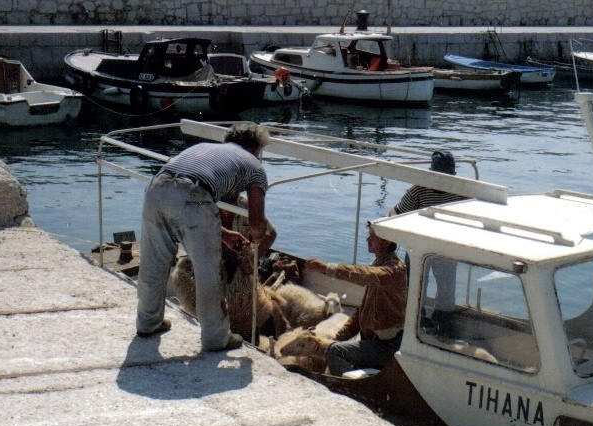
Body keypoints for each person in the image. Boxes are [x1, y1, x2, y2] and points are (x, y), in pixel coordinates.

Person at [135, 123, 271, 352]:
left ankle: (148, 323)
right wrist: (253, 247)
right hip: (194, 194)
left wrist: (224, 234)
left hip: (157, 189)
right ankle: (216, 338)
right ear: (256, 149)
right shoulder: (255, 166)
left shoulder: (204, 148)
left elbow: (182, 202)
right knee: (209, 272)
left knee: (153, 263)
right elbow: (257, 224)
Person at [304, 224, 407, 376]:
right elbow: (361, 314)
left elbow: (365, 274)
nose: (367, 240)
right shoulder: (380, 267)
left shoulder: (394, 271)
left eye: (372, 237)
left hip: (387, 346)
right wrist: (337, 338)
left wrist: (327, 268)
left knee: (335, 352)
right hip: (373, 342)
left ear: (385, 242)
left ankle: (344, 389)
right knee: (334, 347)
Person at [389, 150, 464, 326]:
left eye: (446, 176)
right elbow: (396, 212)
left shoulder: (461, 193)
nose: (442, 181)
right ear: (430, 173)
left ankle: (442, 324)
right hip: (418, 246)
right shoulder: (418, 190)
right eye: (438, 176)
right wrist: (396, 230)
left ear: (454, 175)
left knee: (446, 290)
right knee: (415, 286)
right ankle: (416, 322)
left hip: (446, 248)